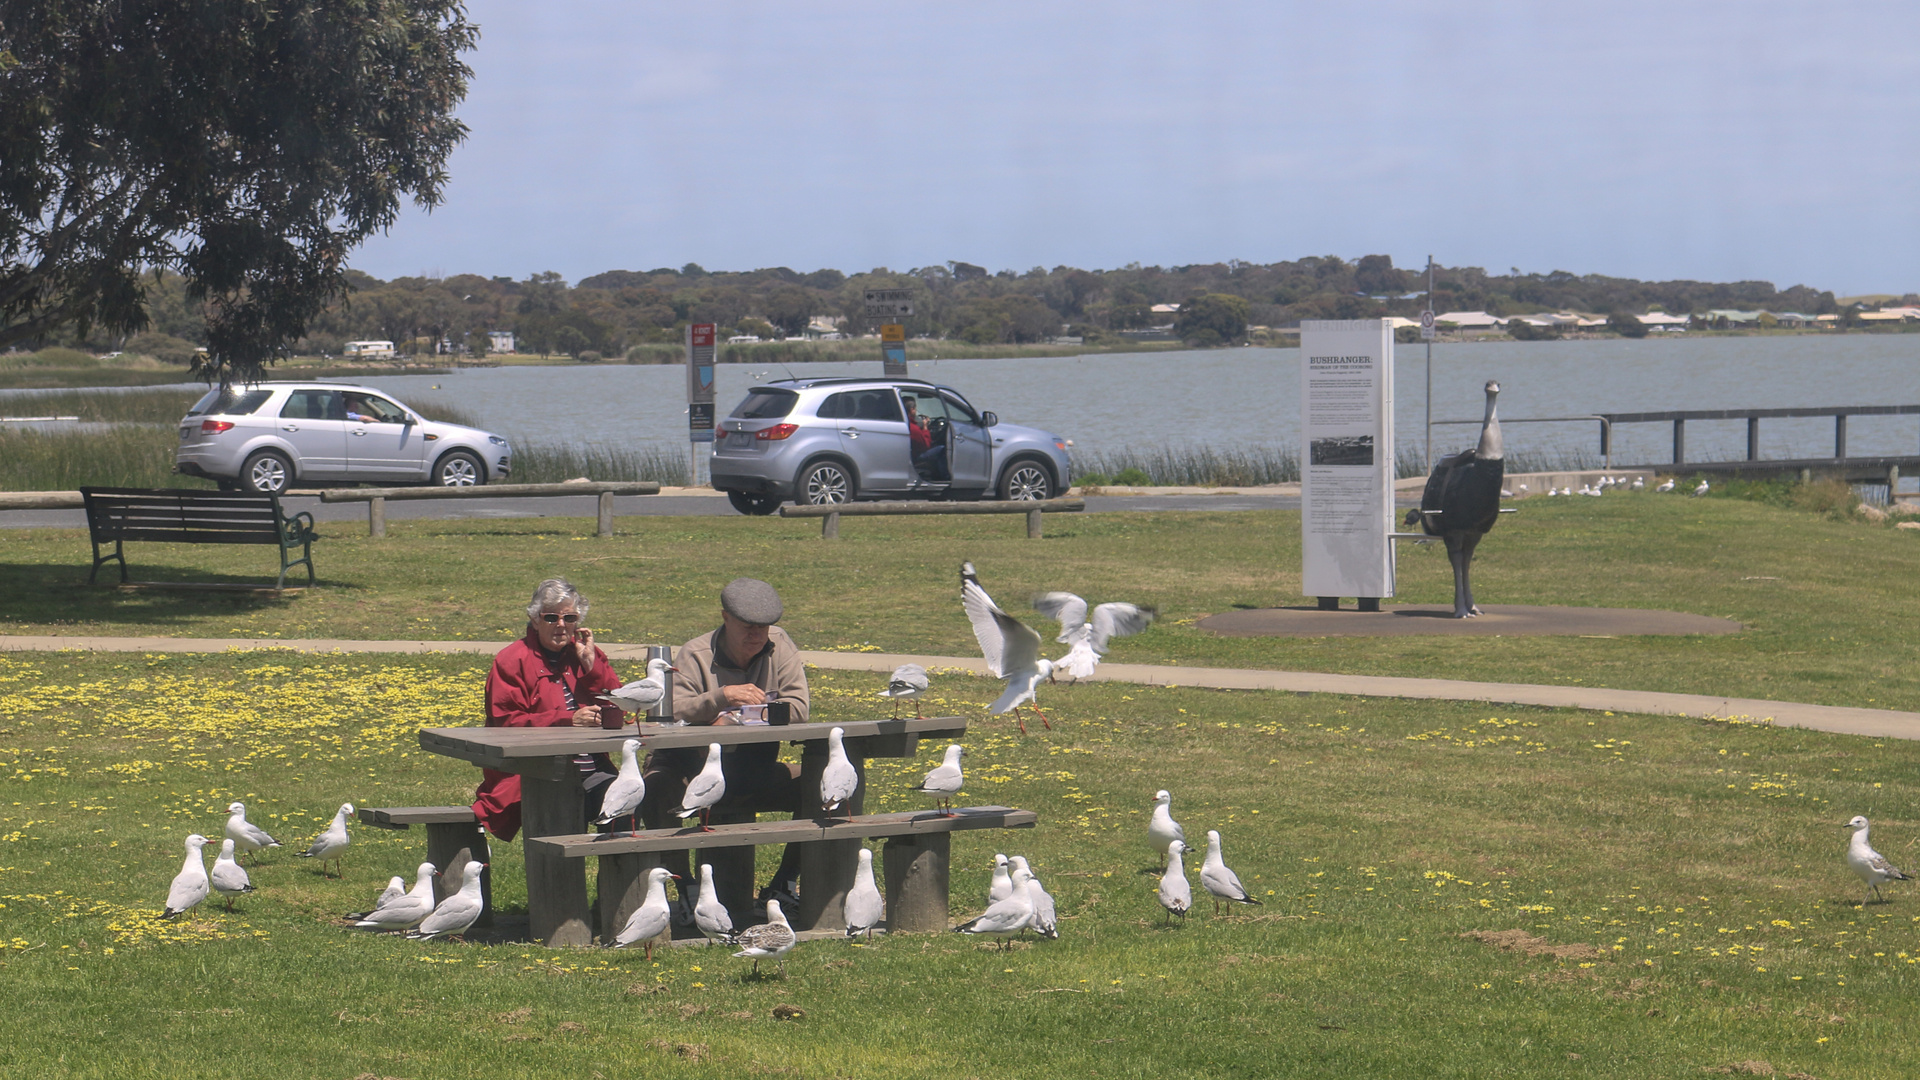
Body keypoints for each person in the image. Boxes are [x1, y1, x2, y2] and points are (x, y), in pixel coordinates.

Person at [643, 577, 811, 916]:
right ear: (725, 617)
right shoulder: (696, 653)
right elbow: (669, 708)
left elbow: (799, 707)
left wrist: (737, 716)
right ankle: (686, 884)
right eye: (748, 626)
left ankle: (784, 882)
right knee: (658, 786)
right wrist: (720, 698)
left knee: (826, 783)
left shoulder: (780, 645)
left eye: (763, 627)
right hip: (691, 768)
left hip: (753, 768)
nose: (757, 635)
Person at [470, 579, 625, 842]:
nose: (561, 625)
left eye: (570, 617)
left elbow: (621, 712)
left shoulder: (587, 654)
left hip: (593, 770)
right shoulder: (512, 660)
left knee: (627, 799)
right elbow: (505, 724)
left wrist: (592, 667)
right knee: (560, 810)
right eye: (551, 617)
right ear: (534, 619)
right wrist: (568, 720)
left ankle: (620, 879)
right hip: (536, 775)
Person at [904, 396, 949, 481]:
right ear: (912, 409)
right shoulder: (913, 428)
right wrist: (925, 427)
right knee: (942, 449)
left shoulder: (908, 423)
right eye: (915, 408)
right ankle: (944, 477)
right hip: (916, 456)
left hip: (910, 453)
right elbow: (926, 446)